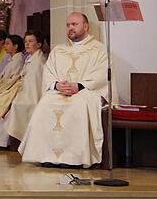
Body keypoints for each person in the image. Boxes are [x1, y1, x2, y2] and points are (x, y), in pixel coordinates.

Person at [19, 12, 108, 168]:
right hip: (59, 91)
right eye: (68, 25)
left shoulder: (99, 49)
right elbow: (48, 72)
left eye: (74, 24)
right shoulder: (58, 50)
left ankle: (73, 158)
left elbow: (102, 74)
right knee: (44, 104)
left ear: (86, 26)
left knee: (77, 106)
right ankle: (46, 155)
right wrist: (56, 85)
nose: (70, 28)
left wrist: (79, 86)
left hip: (85, 92)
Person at [6, 30, 47, 142]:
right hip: (24, 92)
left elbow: (35, 86)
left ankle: (21, 140)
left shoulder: (38, 61)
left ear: (38, 44)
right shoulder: (30, 58)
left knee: (15, 105)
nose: (27, 44)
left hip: (33, 97)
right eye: (26, 41)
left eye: (31, 41)